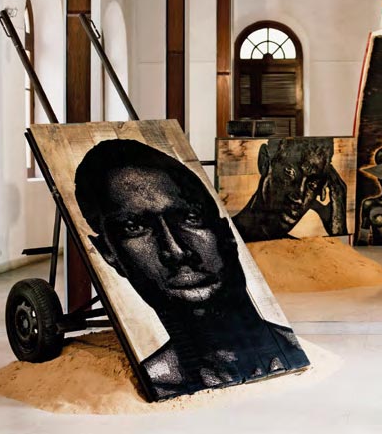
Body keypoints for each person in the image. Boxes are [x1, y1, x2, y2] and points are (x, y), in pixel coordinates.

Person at [75, 139, 309, 399]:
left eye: (190, 218)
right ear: (109, 253)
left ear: (225, 233)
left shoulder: (289, 351)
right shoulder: (162, 381)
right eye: (134, 228)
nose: (175, 251)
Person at [233, 137, 347, 242]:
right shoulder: (225, 237)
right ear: (265, 162)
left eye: (312, 184)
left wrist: (338, 230)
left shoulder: (300, 251)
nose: (299, 198)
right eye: (289, 172)